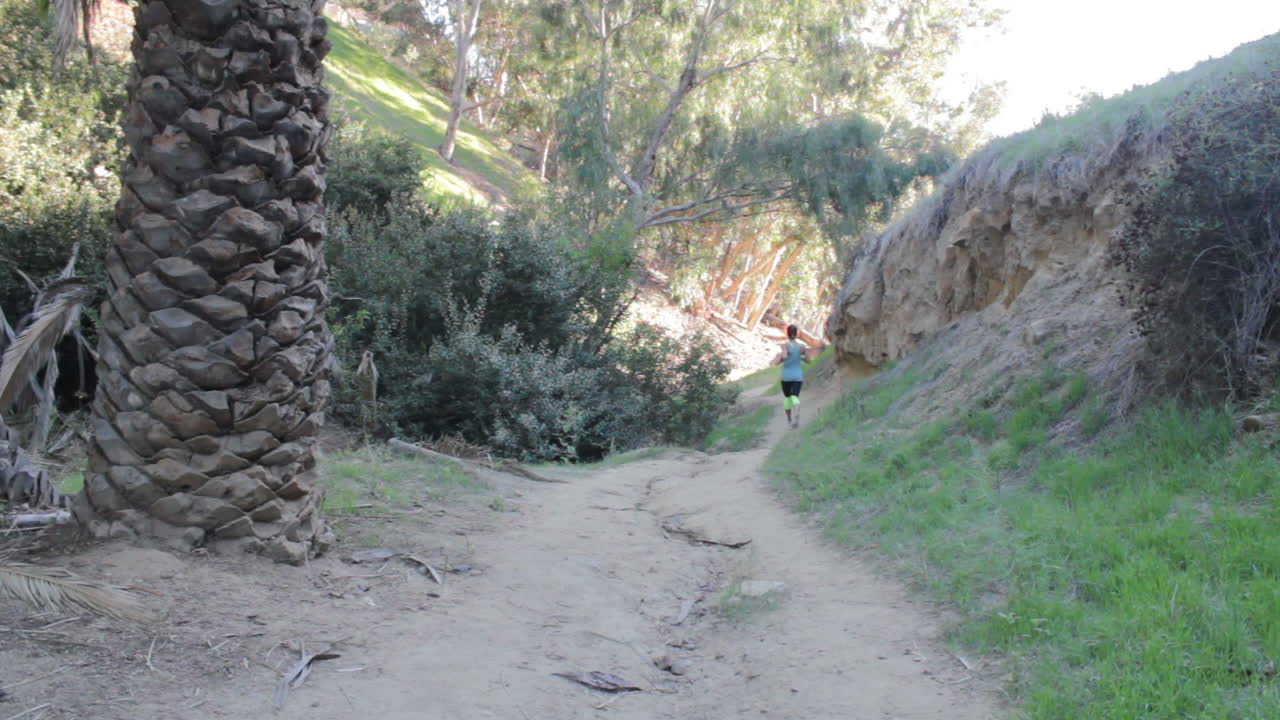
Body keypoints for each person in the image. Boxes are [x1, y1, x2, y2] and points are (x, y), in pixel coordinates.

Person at [772, 324, 809, 428]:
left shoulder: (785, 345)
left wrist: (783, 354)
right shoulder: (802, 347)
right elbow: (808, 360)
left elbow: (783, 357)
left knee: (788, 398)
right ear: (796, 334)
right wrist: (800, 357)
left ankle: (789, 420)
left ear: (787, 334)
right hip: (798, 376)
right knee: (795, 396)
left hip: (786, 376)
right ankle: (796, 413)